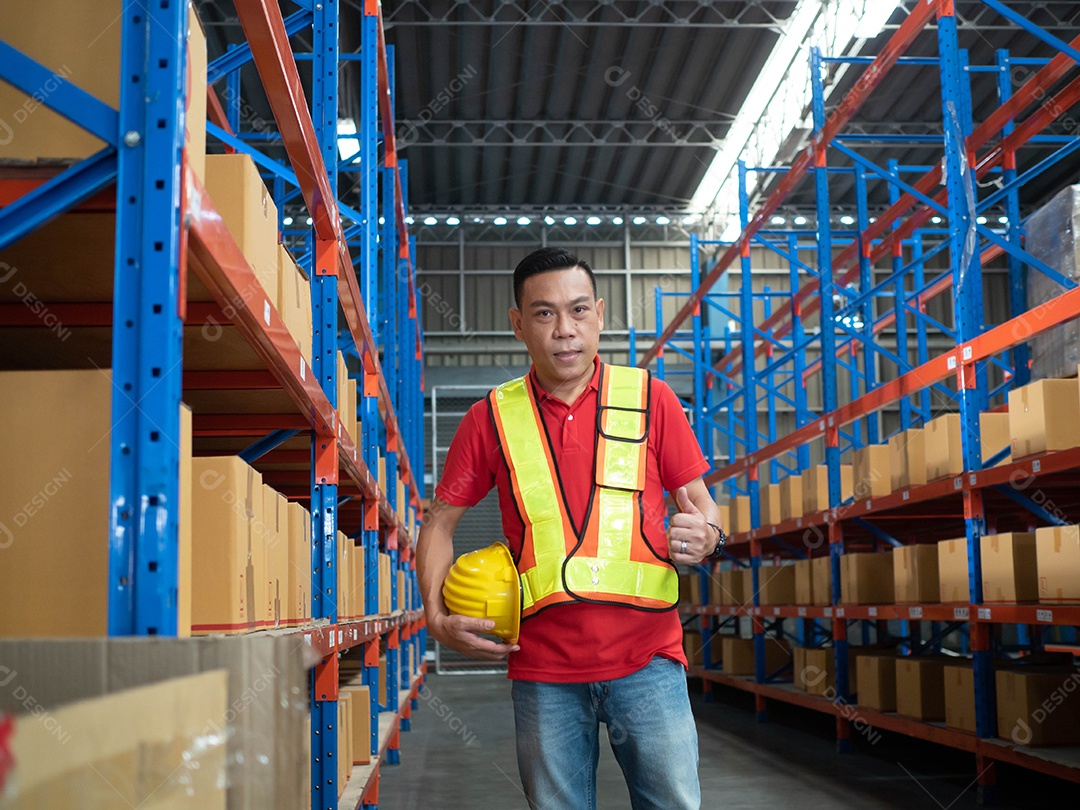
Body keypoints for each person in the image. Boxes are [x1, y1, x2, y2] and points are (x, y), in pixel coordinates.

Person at [417, 247, 726, 810]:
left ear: (600, 315)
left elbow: (701, 503)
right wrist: (435, 616)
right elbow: (439, 522)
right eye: (544, 314)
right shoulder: (490, 417)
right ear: (517, 324)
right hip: (543, 669)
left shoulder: (652, 398)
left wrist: (710, 536)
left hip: (650, 661)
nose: (565, 330)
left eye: (579, 311)